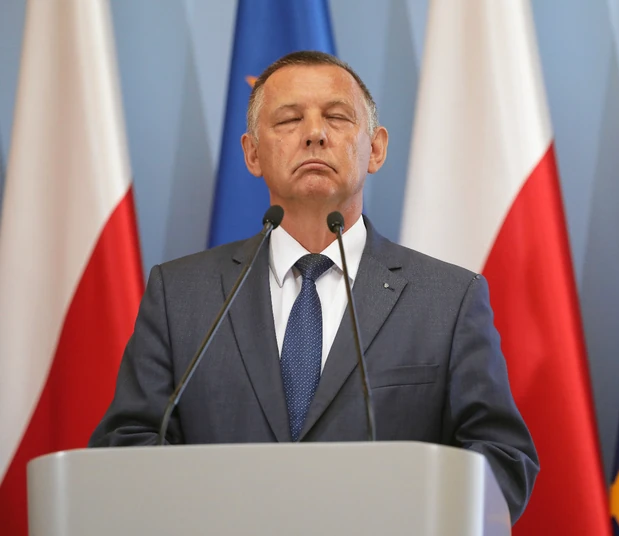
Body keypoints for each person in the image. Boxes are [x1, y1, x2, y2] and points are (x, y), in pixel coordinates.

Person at [89, 51, 539, 523]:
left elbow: (501, 459)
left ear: (376, 149)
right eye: (289, 120)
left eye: (337, 117)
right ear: (252, 153)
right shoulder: (180, 296)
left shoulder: (448, 299)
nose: (314, 133)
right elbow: (127, 448)